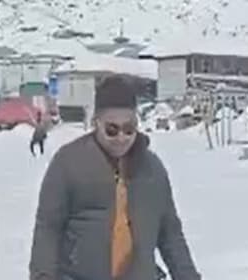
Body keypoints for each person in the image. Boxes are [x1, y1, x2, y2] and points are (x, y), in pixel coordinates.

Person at [28, 75, 201, 280]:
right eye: (112, 130)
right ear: (96, 123)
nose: (121, 138)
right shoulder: (68, 164)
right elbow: (48, 229)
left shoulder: (152, 170)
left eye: (129, 129)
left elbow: (170, 235)